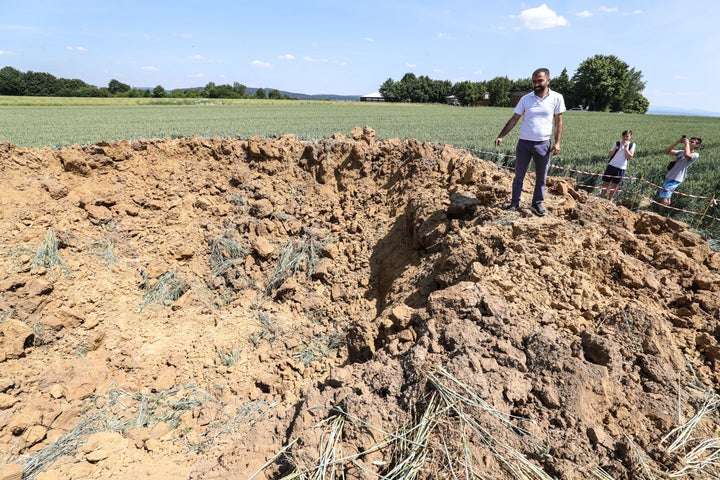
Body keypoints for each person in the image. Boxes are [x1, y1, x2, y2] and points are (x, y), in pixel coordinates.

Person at [495, 68, 566, 216]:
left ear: (548, 80)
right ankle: (514, 203)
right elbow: (514, 119)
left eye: (540, 80)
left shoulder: (557, 98)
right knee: (519, 176)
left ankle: (537, 204)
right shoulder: (526, 99)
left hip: (543, 144)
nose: (536, 84)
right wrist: (501, 135)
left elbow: (559, 122)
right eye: (534, 81)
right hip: (524, 143)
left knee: (541, 177)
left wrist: (557, 142)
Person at [658, 135, 702, 213]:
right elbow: (667, 151)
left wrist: (686, 144)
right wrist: (678, 142)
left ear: (697, 145)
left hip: (676, 178)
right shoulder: (681, 152)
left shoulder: (695, 155)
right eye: (690, 141)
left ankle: (661, 213)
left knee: (665, 196)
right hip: (669, 176)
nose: (689, 142)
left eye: (692, 142)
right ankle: (664, 213)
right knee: (666, 196)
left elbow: (687, 155)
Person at [600, 130, 635, 201]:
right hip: (611, 165)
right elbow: (610, 154)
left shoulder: (632, 145)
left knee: (615, 185)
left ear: (630, 136)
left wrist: (626, 149)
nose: (625, 137)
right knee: (606, 182)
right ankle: (602, 198)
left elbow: (630, 157)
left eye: (627, 136)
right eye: (624, 136)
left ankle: (610, 200)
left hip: (621, 168)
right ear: (622, 136)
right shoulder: (617, 143)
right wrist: (614, 150)